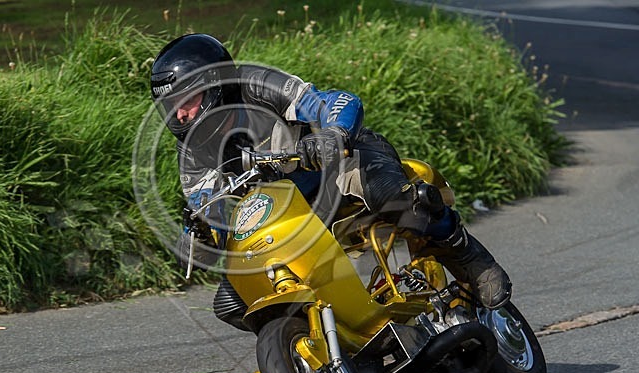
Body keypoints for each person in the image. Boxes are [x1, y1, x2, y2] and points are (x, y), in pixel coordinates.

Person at [149, 33, 511, 330]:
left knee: (397, 200)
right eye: (172, 107)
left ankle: (469, 257)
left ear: (215, 83)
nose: (180, 115)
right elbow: (208, 206)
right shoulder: (193, 153)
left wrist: (331, 135)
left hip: (337, 171)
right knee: (230, 302)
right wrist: (200, 231)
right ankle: (326, 335)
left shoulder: (257, 85)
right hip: (288, 215)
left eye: (188, 100)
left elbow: (337, 101)